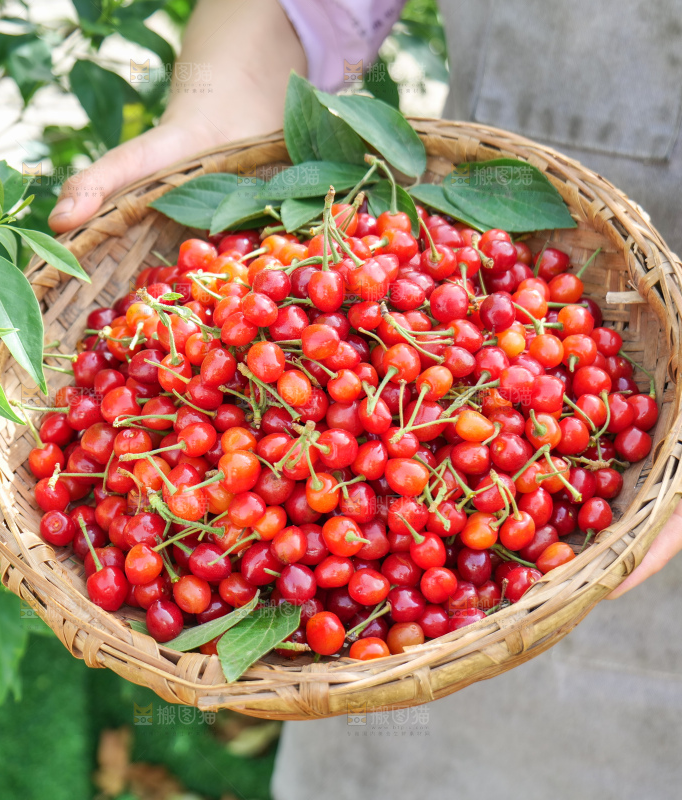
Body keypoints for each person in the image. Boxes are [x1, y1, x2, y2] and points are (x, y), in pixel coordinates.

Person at [49, 2, 682, 797]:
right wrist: (217, 110)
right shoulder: (405, 345)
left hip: (607, 533)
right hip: (487, 230)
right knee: (387, 699)